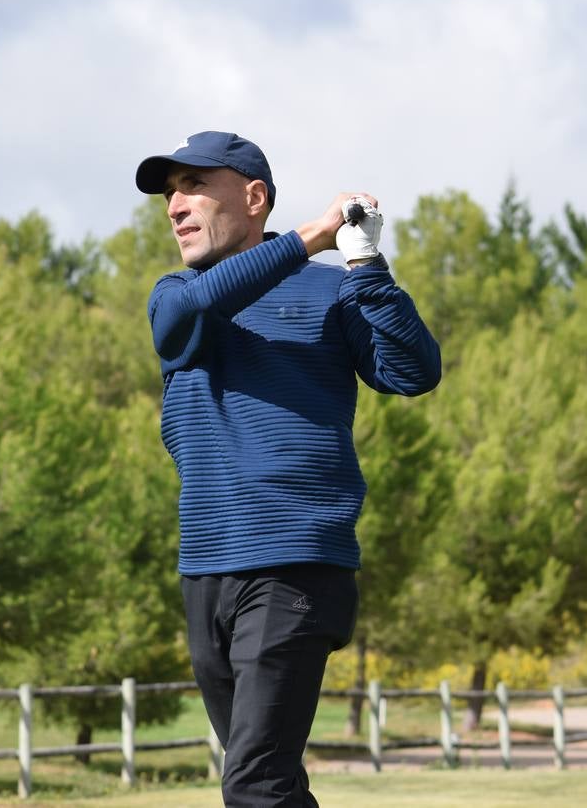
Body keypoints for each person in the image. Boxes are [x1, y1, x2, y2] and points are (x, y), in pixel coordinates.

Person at [139, 131, 441, 807]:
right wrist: (312, 234)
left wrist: (363, 262)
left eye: (193, 186)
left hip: (296, 562)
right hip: (205, 569)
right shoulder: (177, 295)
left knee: (255, 783)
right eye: (169, 195)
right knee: (261, 779)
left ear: (253, 198)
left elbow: (413, 371)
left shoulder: (332, 293)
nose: (174, 207)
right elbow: (186, 313)